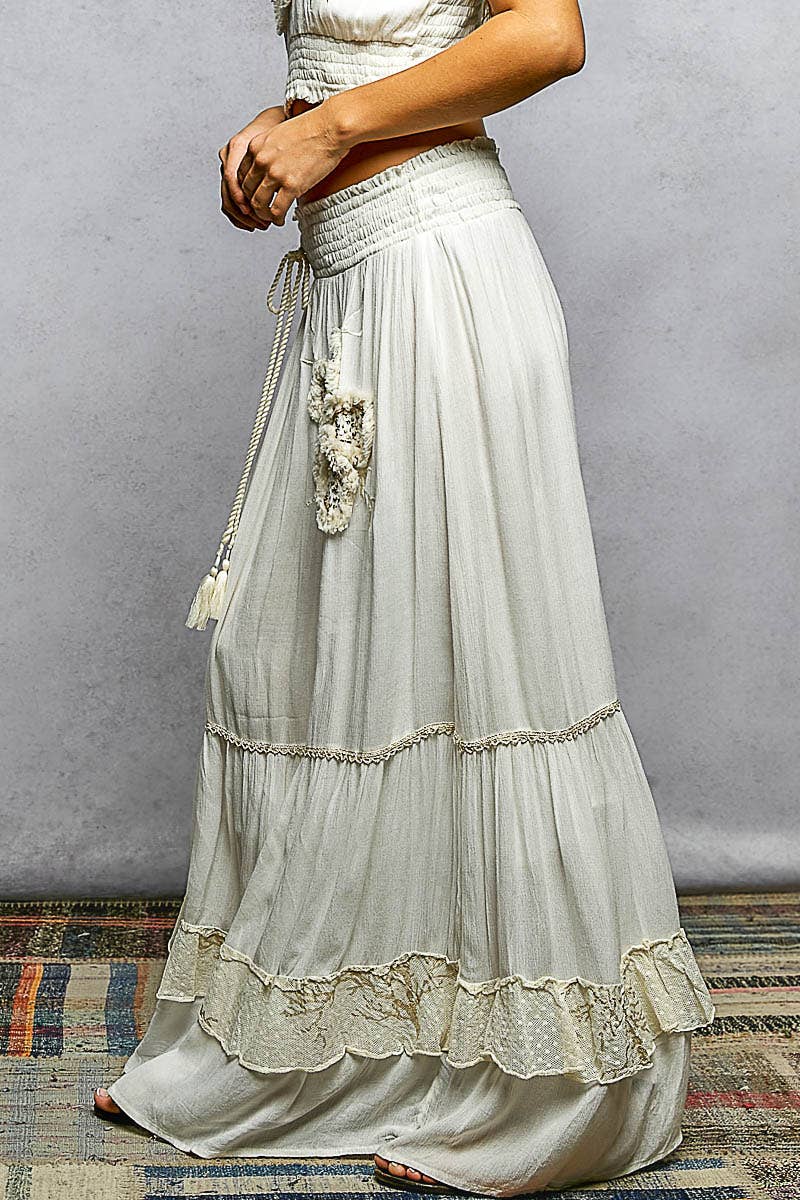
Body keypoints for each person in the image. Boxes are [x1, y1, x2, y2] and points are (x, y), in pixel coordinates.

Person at [92, 0, 716, 1193]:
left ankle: (553, 1096)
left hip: (439, 276)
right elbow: (392, 44)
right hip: (353, 280)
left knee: (485, 677)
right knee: (319, 669)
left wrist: (329, 128)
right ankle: (316, 1057)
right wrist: (285, 122)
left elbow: (546, 35)